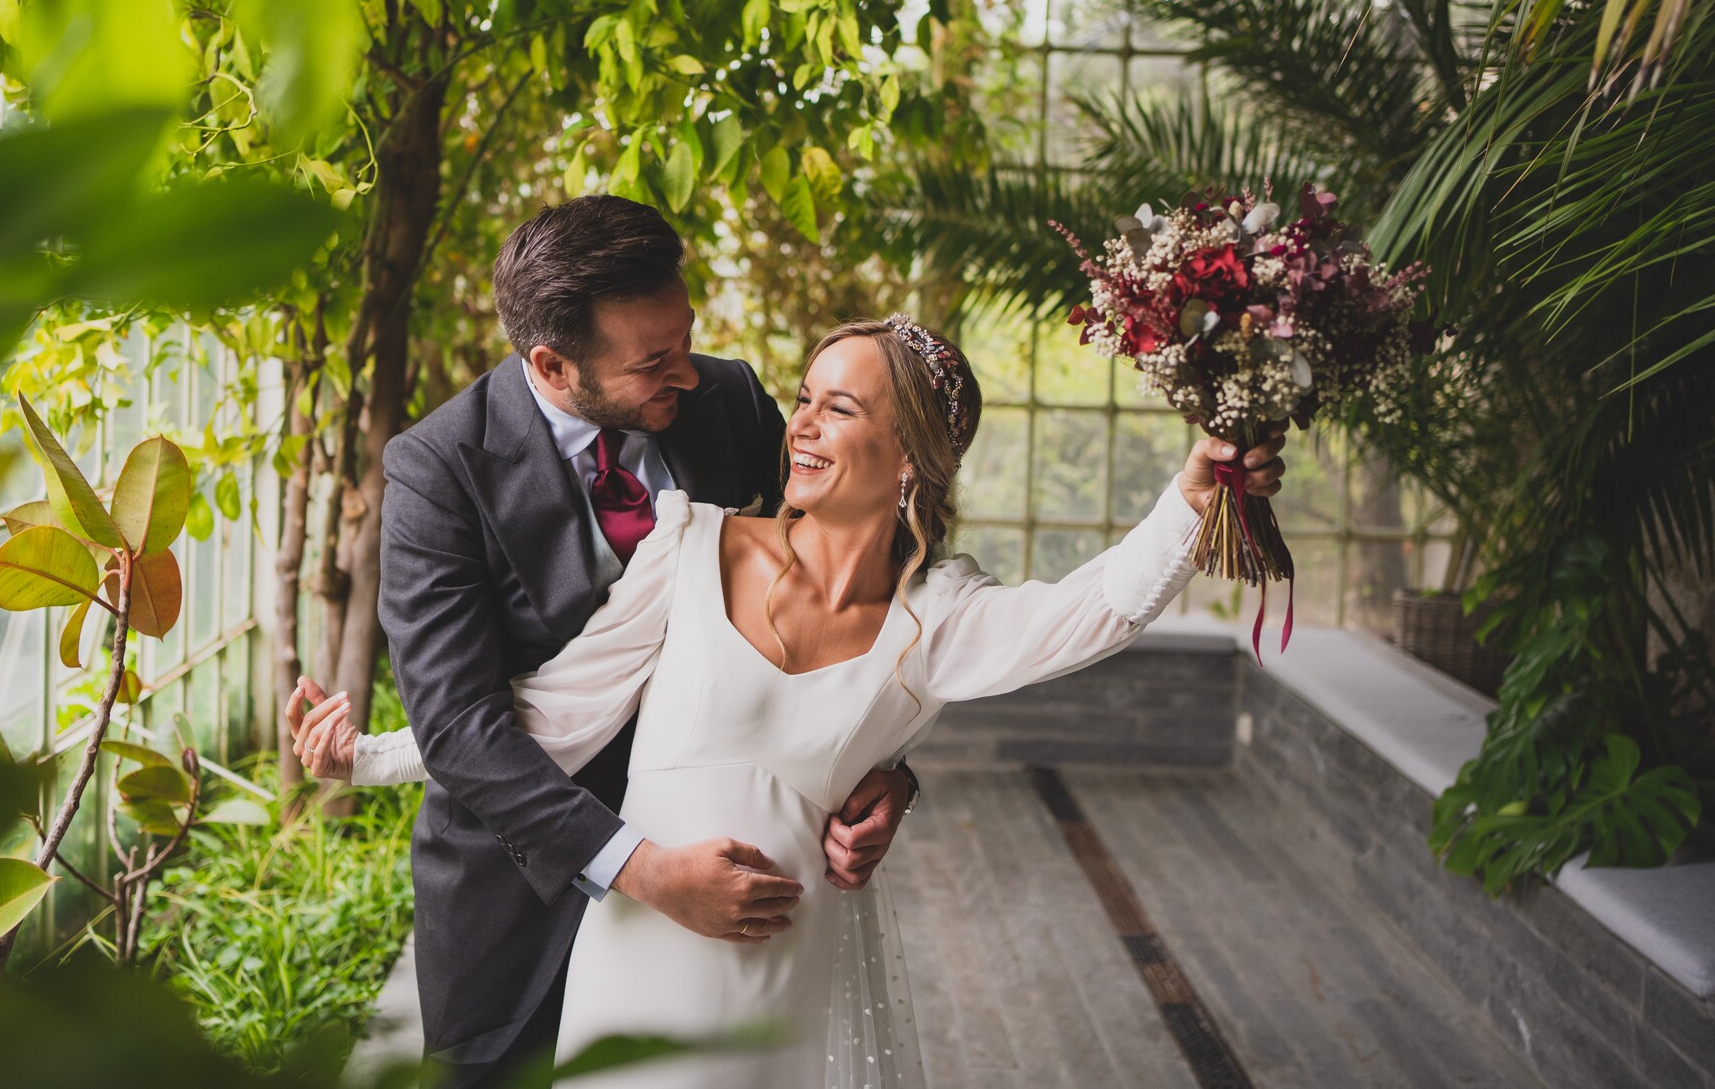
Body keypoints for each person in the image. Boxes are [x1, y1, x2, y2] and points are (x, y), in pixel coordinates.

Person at [293, 311, 1288, 1087]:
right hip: (634, 947)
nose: (800, 424)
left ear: (909, 458)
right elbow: (551, 712)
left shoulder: (936, 617)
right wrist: (366, 757)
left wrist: (1193, 494)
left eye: (838, 408)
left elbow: (1095, 609)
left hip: (780, 962)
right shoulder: (690, 543)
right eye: (805, 398)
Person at [286, 196, 918, 1087]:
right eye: (653, 362)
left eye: (685, 340)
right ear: (551, 362)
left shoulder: (730, 399)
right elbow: (462, 728)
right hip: (519, 903)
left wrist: (885, 780)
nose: (686, 375)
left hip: (730, 903)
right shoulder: (437, 469)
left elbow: (855, 590)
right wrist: (644, 869)